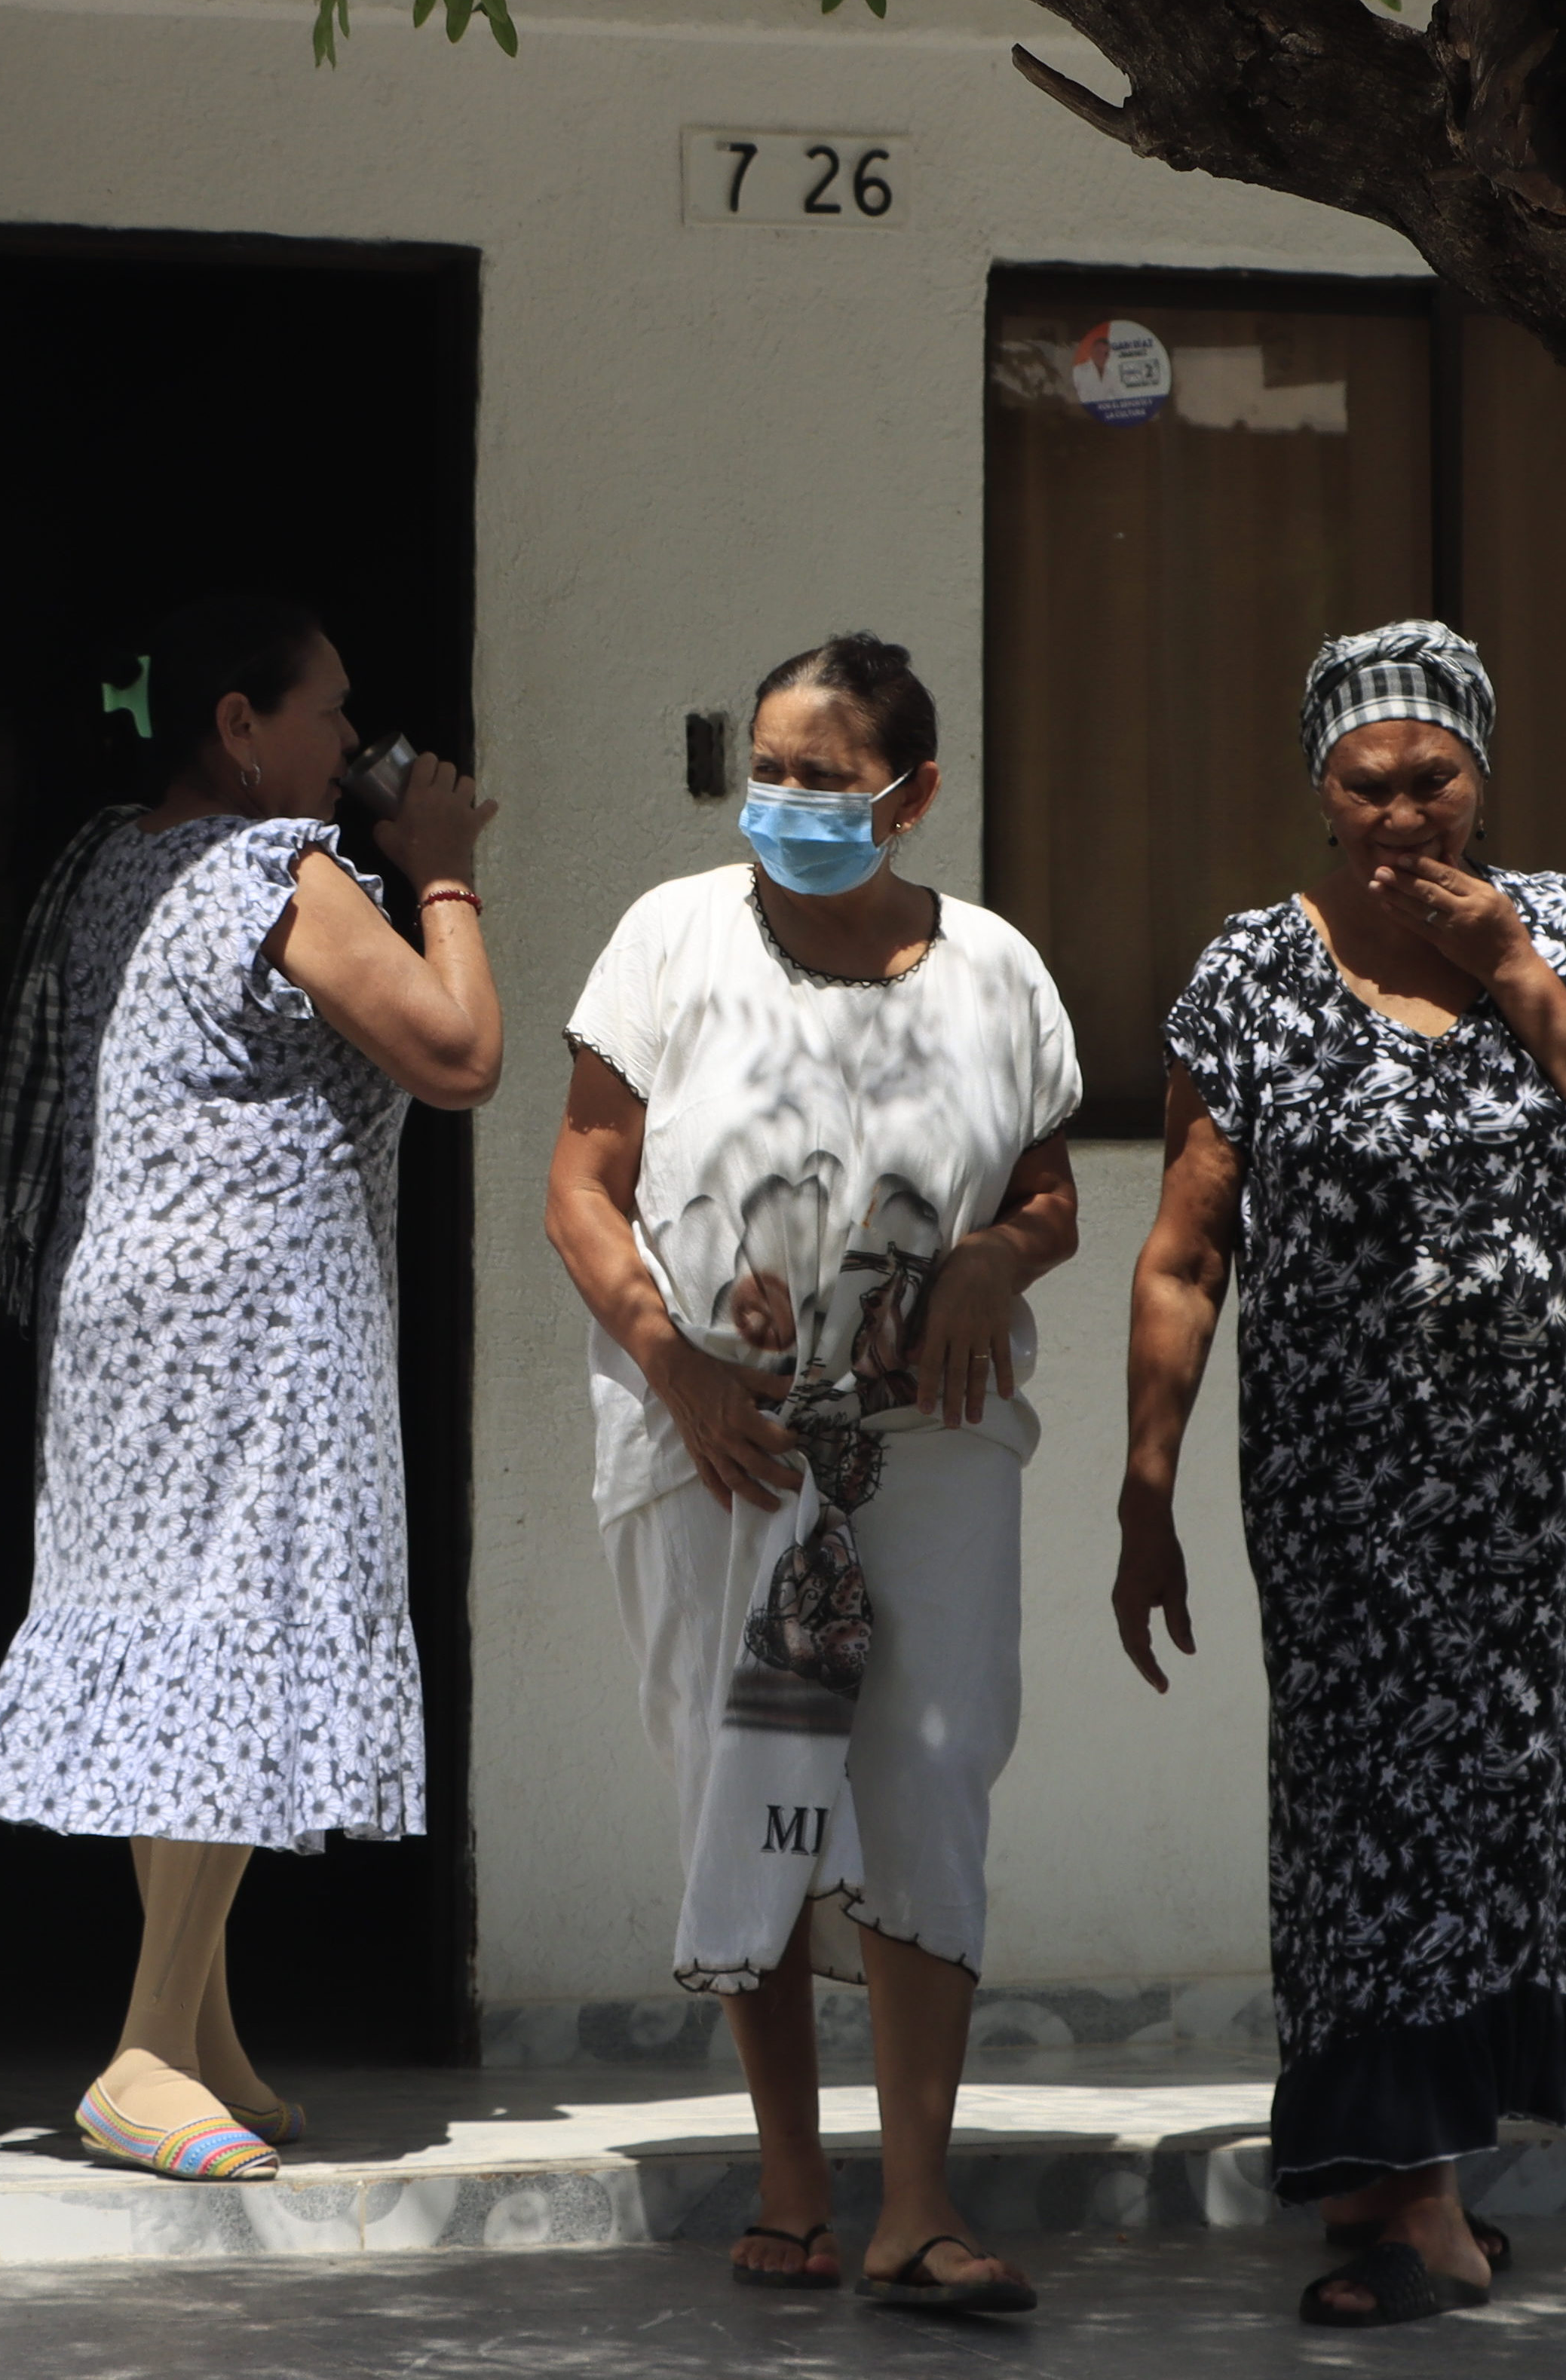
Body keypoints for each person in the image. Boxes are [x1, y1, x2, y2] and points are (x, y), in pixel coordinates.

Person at [1117, 620, 1566, 2329]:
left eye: (1428, 780)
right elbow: (1180, 1251)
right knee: (1363, 1823)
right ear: (1317, 791)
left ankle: (1413, 2193)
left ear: (1479, 779)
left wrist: (1520, 977)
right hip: (1341, 1507)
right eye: (1363, 785)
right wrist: (1141, 1494)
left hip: (1537, 1508)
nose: (1398, 817)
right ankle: (1409, 2201)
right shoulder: (1248, 975)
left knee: (1509, 1818)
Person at [545, 633, 1079, 2314]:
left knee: (924, 1782)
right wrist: (676, 1366)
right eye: (761, 769)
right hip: (721, 1443)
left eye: (819, 775)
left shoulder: (993, 969)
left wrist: (993, 1263)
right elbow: (581, 1180)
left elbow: (1049, 1198)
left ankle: (916, 2201)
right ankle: (789, 2177)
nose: (780, 801)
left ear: (910, 796)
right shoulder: (667, 939)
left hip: (926, 1442)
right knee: (744, 1779)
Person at [0, 596, 502, 2182]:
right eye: (326, 712)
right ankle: (136, 2053)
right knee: (228, 1647)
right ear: (237, 725)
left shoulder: (115, 857)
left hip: (132, 1319)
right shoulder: (276, 872)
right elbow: (455, 1051)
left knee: (193, 1649)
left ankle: (192, 2032)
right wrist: (444, 863)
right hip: (247, 1331)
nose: (352, 741)